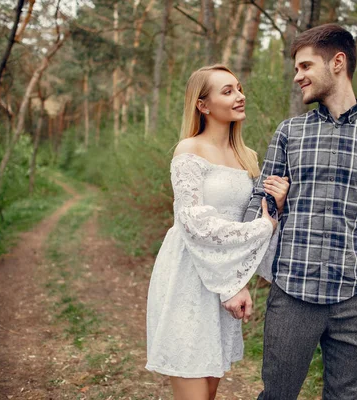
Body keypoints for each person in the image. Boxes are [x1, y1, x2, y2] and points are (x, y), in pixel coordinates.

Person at [243, 24, 357, 399]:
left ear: (337, 63)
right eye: (296, 69)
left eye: (305, 66)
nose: (298, 77)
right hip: (292, 291)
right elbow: (259, 206)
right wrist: (238, 278)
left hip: (353, 297)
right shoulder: (290, 132)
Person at [145, 64, 290, 400]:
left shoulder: (248, 157)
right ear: (203, 105)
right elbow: (193, 221)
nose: (239, 96)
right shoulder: (189, 150)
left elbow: (258, 218)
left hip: (225, 274)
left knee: (209, 389)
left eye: (238, 88)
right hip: (189, 274)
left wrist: (278, 206)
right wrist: (261, 228)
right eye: (227, 91)